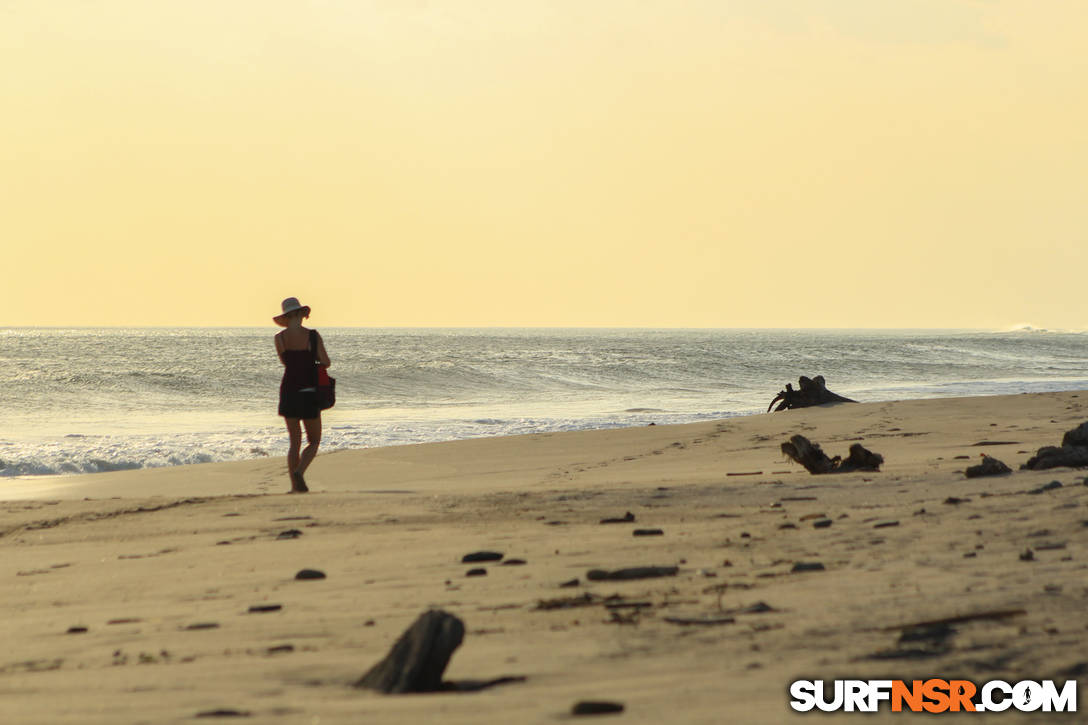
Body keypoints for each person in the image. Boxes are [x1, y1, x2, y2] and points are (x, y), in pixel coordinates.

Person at [273, 297, 330, 493]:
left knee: (294, 443)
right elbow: (325, 361)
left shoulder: (279, 338)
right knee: (314, 441)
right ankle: (300, 472)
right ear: (301, 314)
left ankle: (294, 486)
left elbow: (285, 363)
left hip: (288, 391)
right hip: (308, 392)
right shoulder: (312, 336)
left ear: (286, 317)